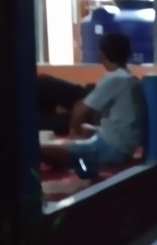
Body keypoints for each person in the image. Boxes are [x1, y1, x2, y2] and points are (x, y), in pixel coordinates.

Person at [40, 32, 144, 174]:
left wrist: (73, 136)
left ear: (101, 55)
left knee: (41, 150)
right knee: (82, 129)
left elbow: (80, 111)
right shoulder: (133, 80)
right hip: (121, 145)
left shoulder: (113, 79)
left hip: (110, 148)